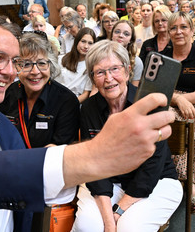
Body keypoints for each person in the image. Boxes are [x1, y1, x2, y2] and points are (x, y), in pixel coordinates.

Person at [0, 12, 176, 231]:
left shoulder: (3, 128)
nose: (10, 72)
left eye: (14, 61)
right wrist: (91, 156)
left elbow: (26, 192)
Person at [71, 40, 183, 232]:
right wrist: (108, 222)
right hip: (107, 180)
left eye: (114, 69)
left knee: (129, 228)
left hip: (155, 181)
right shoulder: (89, 108)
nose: (108, 78)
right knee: (87, 227)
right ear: (92, 78)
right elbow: (93, 163)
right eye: (100, 72)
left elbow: (153, 165)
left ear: (127, 70)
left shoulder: (148, 103)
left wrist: (119, 212)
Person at [0, 32, 79, 148]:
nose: (35, 71)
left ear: (50, 65)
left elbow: (60, 150)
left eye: (41, 63)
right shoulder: (6, 93)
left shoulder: (66, 101)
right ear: (16, 66)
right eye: (26, 64)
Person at [160, 11, 195, 214]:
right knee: (166, 122)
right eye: (173, 27)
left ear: (192, 30)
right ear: (168, 32)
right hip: (167, 102)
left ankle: (188, 181)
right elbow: (156, 89)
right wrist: (178, 98)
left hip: (194, 104)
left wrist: (182, 100)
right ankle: (183, 181)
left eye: (183, 27)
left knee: (189, 125)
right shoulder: (162, 57)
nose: (178, 31)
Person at [55, 27, 96, 103]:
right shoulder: (61, 59)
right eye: (83, 41)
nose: (86, 46)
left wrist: (70, 105)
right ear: (77, 41)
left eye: (90, 43)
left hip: (75, 102)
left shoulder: (91, 66)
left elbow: (86, 94)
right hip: (56, 98)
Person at [111, 20, 143, 86]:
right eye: (117, 32)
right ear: (112, 35)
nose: (120, 35)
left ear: (130, 40)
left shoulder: (136, 62)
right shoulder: (101, 57)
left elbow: (134, 90)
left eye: (126, 34)